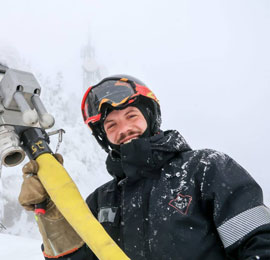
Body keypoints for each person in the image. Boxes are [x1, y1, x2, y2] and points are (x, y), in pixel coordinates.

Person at [19, 75, 270, 260]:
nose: (123, 129)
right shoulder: (100, 201)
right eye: (111, 126)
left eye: (131, 116)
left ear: (150, 118)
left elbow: (259, 243)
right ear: (104, 138)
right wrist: (55, 219)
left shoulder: (205, 169)